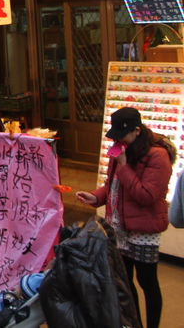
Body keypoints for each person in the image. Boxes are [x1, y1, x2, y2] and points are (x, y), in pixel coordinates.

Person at [77, 107, 174, 328]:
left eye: (122, 135)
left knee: (147, 282)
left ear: (137, 131)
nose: (118, 140)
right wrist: (95, 197)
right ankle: (134, 323)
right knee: (124, 283)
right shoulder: (120, 149)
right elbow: (113, 186)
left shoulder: (157, 155)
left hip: (143, 228)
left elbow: (146, 196)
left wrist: (123, 164)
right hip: (118, 227)